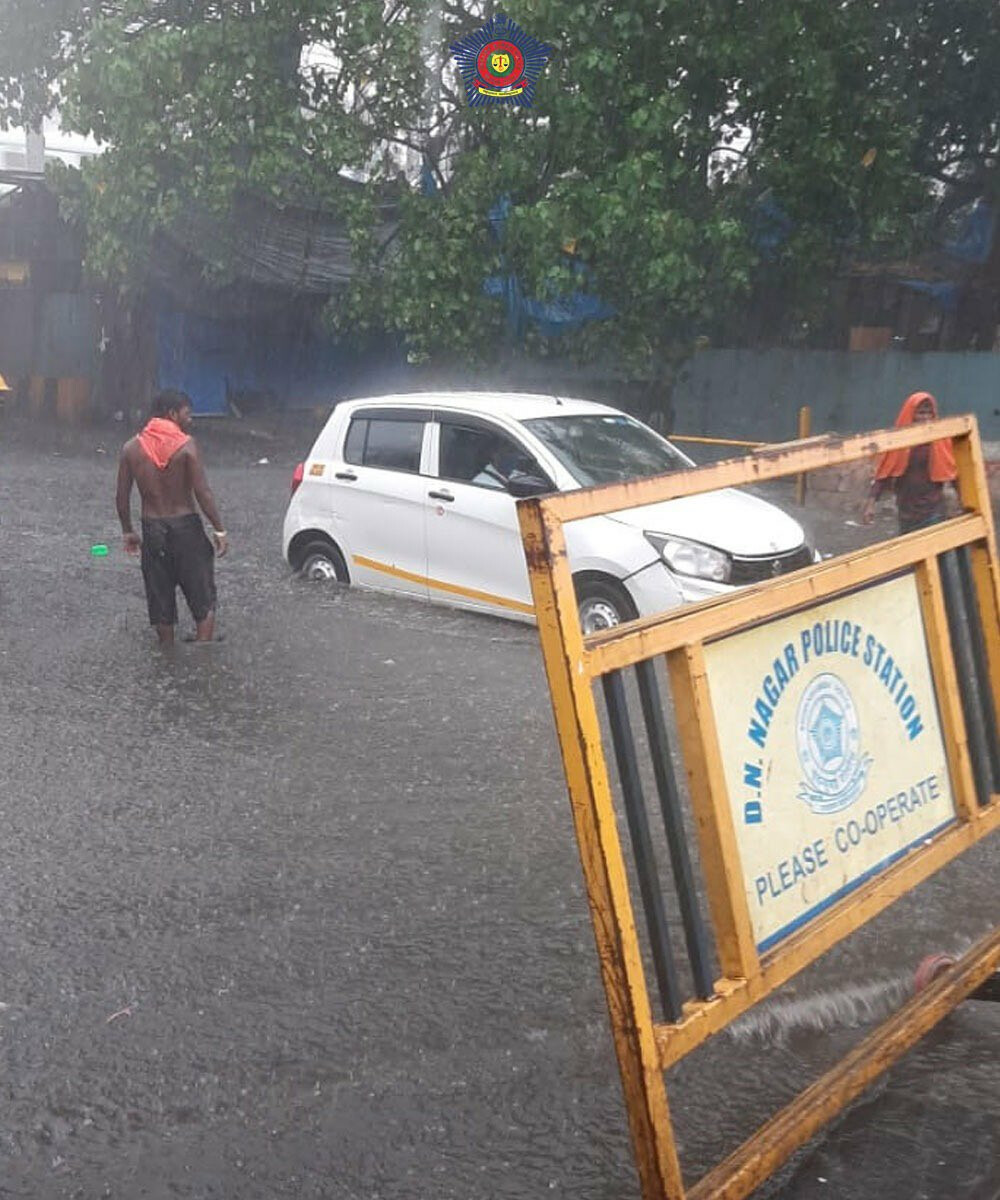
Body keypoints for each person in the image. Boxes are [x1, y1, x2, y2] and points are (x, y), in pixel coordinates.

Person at [116, 389, 228, 645]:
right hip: (186, 529)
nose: (190, 419)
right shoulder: (187, 446)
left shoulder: (131, 449)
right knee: (203, 599)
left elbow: (121, 498)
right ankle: (203, 655)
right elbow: (203, 492)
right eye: (187, 414)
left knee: (160, 601)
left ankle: (167, 655)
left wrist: (128, 531)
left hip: (152, 531)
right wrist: (219, 529)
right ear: (172, 413)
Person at [862, 391, 959, 534]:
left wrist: (961, 502)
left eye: (929, 413)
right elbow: (883, 474)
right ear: (910, 415)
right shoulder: (898, 443)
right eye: (920, 413)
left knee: (937, 552)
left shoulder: (940, 442)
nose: (925, 418)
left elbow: (953, 473)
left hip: (934, 510)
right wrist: (870, 504)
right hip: (907, 512)